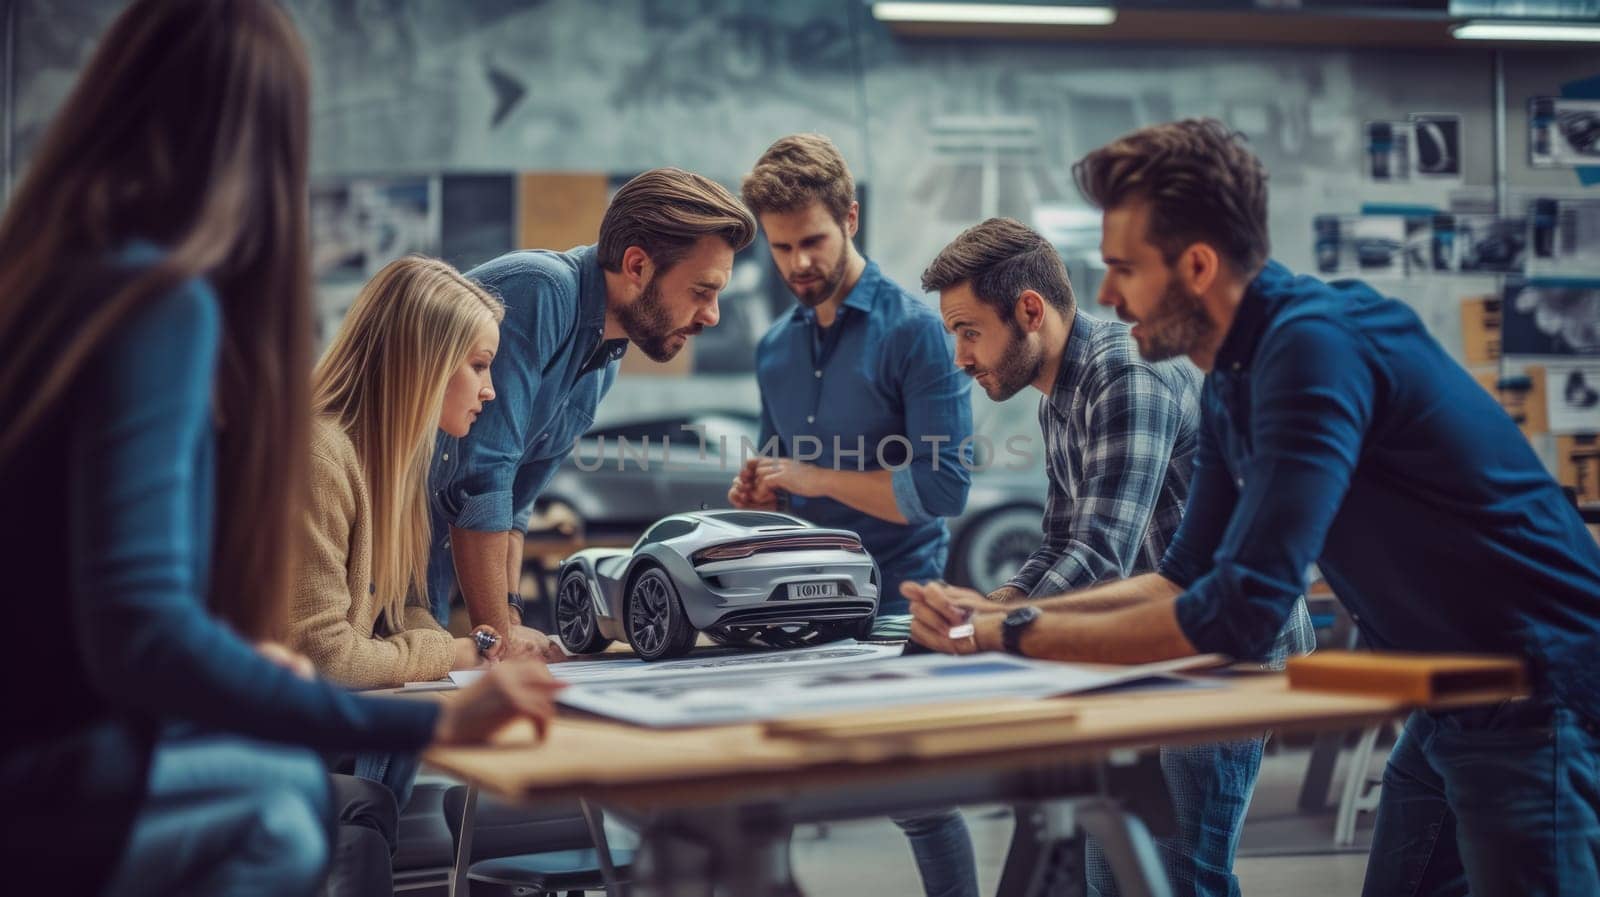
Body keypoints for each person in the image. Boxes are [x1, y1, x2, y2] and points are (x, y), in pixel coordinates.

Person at [905, 119, 1600, 897]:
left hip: (1541, 688)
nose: (1104, 295)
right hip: (1453, 697)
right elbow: (1182, 577)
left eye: (1123, 268)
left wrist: (1008, 627)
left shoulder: (1309, 349)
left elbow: (1237, 611)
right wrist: (993, 621)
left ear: (1196, 266)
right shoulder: (1236, 373)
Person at [0, 3, 562, 895]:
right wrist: (434, 723)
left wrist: (230, 658)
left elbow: (88, 611)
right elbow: (140, 635)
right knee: (281, 804)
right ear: (263, 142)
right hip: (47, 770)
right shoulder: (160, 306)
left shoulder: (43, 283)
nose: (493, 391)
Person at [920, 217, 1312, 897]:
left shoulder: (1124, 373)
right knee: (1117, 871)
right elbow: (1062, 541)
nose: (959, 356)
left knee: (1180, 874)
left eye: (968, 329)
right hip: (1155, 641)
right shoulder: (1057, 398)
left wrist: (990, 630)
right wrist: (993, 606)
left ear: (1030, 311)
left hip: (1225, 648)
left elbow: (1102, 553)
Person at [733, 133, 974, 897]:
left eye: (813, 240)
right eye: (781, 248)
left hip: (903, 595)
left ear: (851, 218)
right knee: (762, 795)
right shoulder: (773, 348)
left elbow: (942, 490)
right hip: (799, 600)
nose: (799, 262)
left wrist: (813, 475)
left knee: (921, 802)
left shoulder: (917, 331)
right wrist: (764, 496)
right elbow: (788, 482)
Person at [430, 169, 757, 655]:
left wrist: (510, 620)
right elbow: (482, 477)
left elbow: (516, 503)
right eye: (701, 291)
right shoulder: (539, 291)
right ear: (637, 266)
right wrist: (499, 638)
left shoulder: (604, 361)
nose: (712, 316)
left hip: (420, 571)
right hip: (357, 539)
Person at [291, 256, 525, 814]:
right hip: (262, 747)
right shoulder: (317, 457)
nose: (490, 390)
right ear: (422, 364)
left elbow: (402, 613)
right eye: (478, 365)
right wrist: (462, 650)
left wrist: (480, 650)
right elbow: (325, 658)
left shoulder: (392, 466)